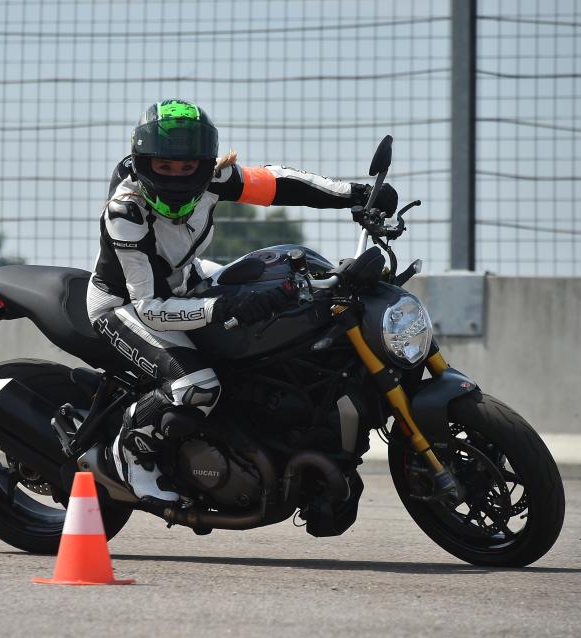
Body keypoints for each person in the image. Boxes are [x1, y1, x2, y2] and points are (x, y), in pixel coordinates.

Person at [86, 99, 397, 510]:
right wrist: (223, 309)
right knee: (197, 386)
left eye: (188, 167)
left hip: (185, 281)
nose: (179, 176)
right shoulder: (126, 211)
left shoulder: (214, 178)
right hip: (123, 306)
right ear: (143, 162)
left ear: (204, 163)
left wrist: (355, 194)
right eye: (165, 166)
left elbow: (277, 183)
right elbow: (149, 307)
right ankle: (131, 451)